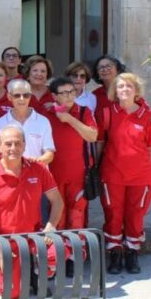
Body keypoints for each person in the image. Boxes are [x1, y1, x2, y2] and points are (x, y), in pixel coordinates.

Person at [0, 124, 65, 298]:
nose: (13, 148)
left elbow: (57, 201)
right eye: (8, 144)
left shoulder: (38, 169)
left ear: (24, 144)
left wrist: (51, 227)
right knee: (11, 292)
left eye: (17, 143)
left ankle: (36, 271)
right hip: (4, 240)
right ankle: (8, 270)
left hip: (34, 235)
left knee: (59, 250)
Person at [97, 73, 151, 275]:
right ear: (115, 90)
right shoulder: (108, 113)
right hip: (112, 173)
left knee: (135, 215)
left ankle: (132, 252)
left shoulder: (147, 115)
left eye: (129, 86)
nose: (124, 89)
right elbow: (100, 143)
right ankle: (114, 252)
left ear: (136, 90)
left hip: (140, 175)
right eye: (121, 86)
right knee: (113, 214)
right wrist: (96, 168)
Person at [45, 78, 98, 234]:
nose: (69, 96)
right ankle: (59, 254)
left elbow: (92, 136)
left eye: (72, 92)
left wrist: (69, 119)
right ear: (54, 96)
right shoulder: (46, 114)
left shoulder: (84, 111)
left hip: (79, 174)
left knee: (76, 215)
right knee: (56, 216)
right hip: (54, 175)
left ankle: (77, 254)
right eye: (64, 93)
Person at [0, 79, 55, 165]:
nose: (22, 99)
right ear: (9, 97)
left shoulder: (43, 121)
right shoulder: (0, 123)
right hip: (11, 175)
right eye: (17, 95)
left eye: (26, 95)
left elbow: (49, 154)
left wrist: (34, 164)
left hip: (37, 174)